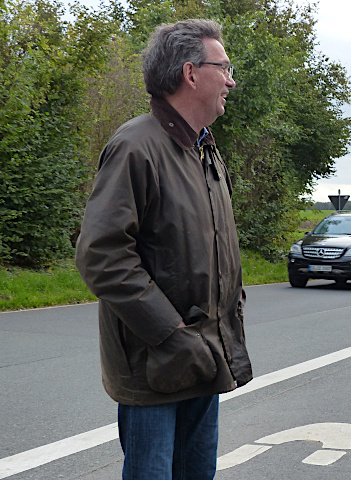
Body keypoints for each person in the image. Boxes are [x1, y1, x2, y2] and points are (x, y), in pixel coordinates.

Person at [75, 19, 252, 479]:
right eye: (224, 67)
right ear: (191, 74)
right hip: (156, 362)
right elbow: (102, 255)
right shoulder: (136, 146)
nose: (231, 80)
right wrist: (172, 335)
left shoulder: (205, 150)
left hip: (204, 358)